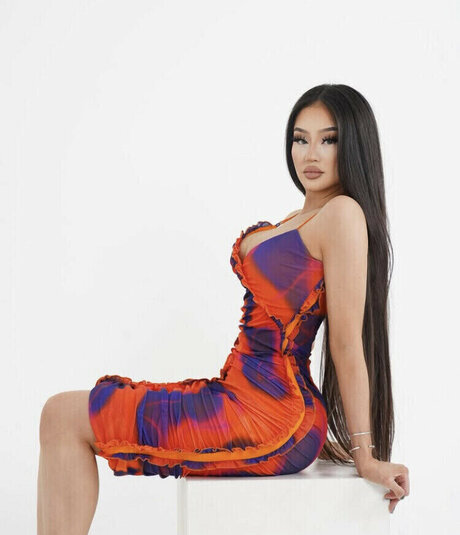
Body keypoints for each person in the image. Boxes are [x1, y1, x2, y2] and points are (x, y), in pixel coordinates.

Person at [37, 83, 410, 533]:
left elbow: (347, 343)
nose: (310, 153)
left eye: (328, 140)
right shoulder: (299, 219)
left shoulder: (343, 214)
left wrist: (365, 456)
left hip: (270, 417)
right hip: (236, 396)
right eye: (300, 138)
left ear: (353, 146)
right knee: (59, 415)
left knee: (63, 416)